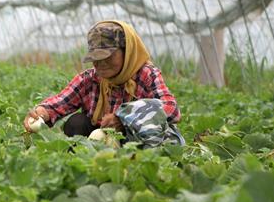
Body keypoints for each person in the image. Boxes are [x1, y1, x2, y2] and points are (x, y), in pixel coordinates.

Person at [23, 20, 183, 146]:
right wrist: (41, 112)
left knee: (159, 133)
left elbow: (171, 109)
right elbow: (60, 103)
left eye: (108, 56)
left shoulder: (146, 74)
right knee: (76, 123)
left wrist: (125, 118)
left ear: (126, 51)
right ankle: (82, 164)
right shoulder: (89, 79)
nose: (101, 63)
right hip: (99, 144)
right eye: (96, 57)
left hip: (135, 143)